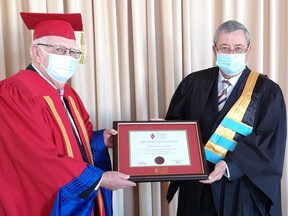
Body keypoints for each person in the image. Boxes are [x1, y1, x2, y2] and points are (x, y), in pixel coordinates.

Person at [0, 12, 136, 215]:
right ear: (36, 52)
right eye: (59, 50)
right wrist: (99, 179)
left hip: (72, 195)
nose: (68, 58)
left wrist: (101, 140)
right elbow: (35, 157)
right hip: (40, 200)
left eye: (73, 52)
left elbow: (78, 141)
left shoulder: (68, 93)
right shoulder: (14, 92)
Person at [166, 20, 287, 215]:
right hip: (198, 188)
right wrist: (161, 131)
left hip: (241, 190)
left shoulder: (267, 91)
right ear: (214, 50)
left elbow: (269, 143)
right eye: (225, 48)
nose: (231, 53)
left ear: (248, 51)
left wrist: (228, 166)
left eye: (238, 48)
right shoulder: (192, 83)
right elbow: (176, 125)